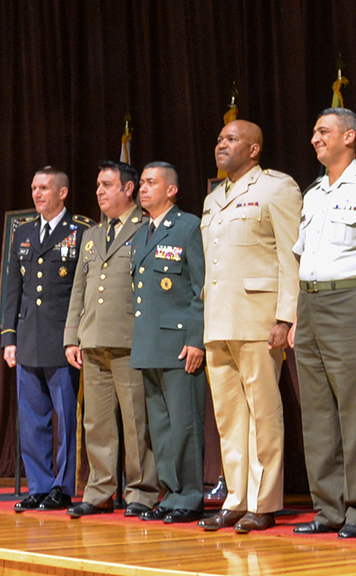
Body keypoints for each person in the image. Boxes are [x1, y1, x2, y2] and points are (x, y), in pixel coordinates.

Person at [290, 108, 356, 539]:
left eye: (323, 131)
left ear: (349, 136)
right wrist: (297, 316)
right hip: (311, 303)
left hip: (351, 300)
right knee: (317, 413)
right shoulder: (313, 191)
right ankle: (328, 507)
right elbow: (301, 259)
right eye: (314, 131)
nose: (315, 138)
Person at [198, 119, 301, 534]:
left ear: (254, 149)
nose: (221, 144)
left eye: (231, 139)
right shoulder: (213, 198)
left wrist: (286, 316)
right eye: (220, 138)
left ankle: (264, 501)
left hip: (258, 318)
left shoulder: (277, 187)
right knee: (228, 418)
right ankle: (236, 499)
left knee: (264, 413)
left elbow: (290, 256)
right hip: (218, 318)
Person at [64, 161, 159, 520]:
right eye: (99, 186)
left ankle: (142, 491)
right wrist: (72, 336)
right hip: (93, 340)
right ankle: (100, 490)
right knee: (96, 423)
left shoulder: (146, 227)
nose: (100, 192)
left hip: (130, 340)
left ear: (129, 189)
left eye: (108, 185)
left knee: (137, 422)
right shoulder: (91, 235)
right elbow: (80, 290)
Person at [2, 167, 93, 513]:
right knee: (32, 418)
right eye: (34, 188)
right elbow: (14, 289)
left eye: (44, 188)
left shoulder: (81, 231)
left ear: (62, 193)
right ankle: (39, 485)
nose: (37, 194)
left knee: (67, 417)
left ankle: (63, 487)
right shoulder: (23, 233)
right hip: (27, 336)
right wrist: (9, 337)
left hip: (63, 339)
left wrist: (79, 336)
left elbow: (83, 291)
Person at [130, 162, 207, 523]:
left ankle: (190, 496)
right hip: (149, 343)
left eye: (150, 183)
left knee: (184, 424)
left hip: (179, 343)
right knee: (160, 427)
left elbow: (200, 288)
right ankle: (171, 492)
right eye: (141, 183)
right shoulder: (142, 232)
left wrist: (196, 339)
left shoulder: (188, 227)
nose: (142, 189)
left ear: (171, 190)